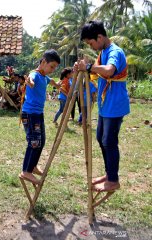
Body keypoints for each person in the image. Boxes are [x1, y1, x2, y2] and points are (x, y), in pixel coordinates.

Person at [75, 20, 129, 192]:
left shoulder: (115, 52)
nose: (92, 47)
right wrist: (83, 68)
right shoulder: (103, 52)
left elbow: (109, 71)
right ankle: (109, 173)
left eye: (92, 43)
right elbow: (97, 70)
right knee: (101, 138)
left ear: (100, 37)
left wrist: (90, 67)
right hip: (106, 106)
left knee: (109, 141)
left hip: (115, 105)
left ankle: (113, 179)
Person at [19, 49, 61, 184]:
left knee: (41, 142)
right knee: (34, 143)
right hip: (30, 114)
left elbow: (51, 80)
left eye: (55, 67)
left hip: (38, 114)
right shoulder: (35, 75)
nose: (53, 69)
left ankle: (33, 166)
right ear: (43, 62)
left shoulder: (45, 77)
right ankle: (26, 171)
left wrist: (58, 84)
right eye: (52, 66)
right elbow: (31, 80)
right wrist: (29, 83)